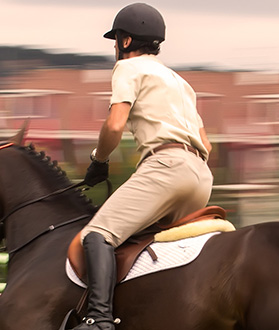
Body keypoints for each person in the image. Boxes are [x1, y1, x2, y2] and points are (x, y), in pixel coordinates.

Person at [74, 3, 214, 330]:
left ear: (125, 42)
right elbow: (206, 145)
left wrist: (99, 160)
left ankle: (99, 319)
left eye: (116, 40)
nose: (115, 47)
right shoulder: (180, 82)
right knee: (147, 246)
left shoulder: (128, 68)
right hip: (200, 177)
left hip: (166, 167)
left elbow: (114, 125)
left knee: (97, 234)